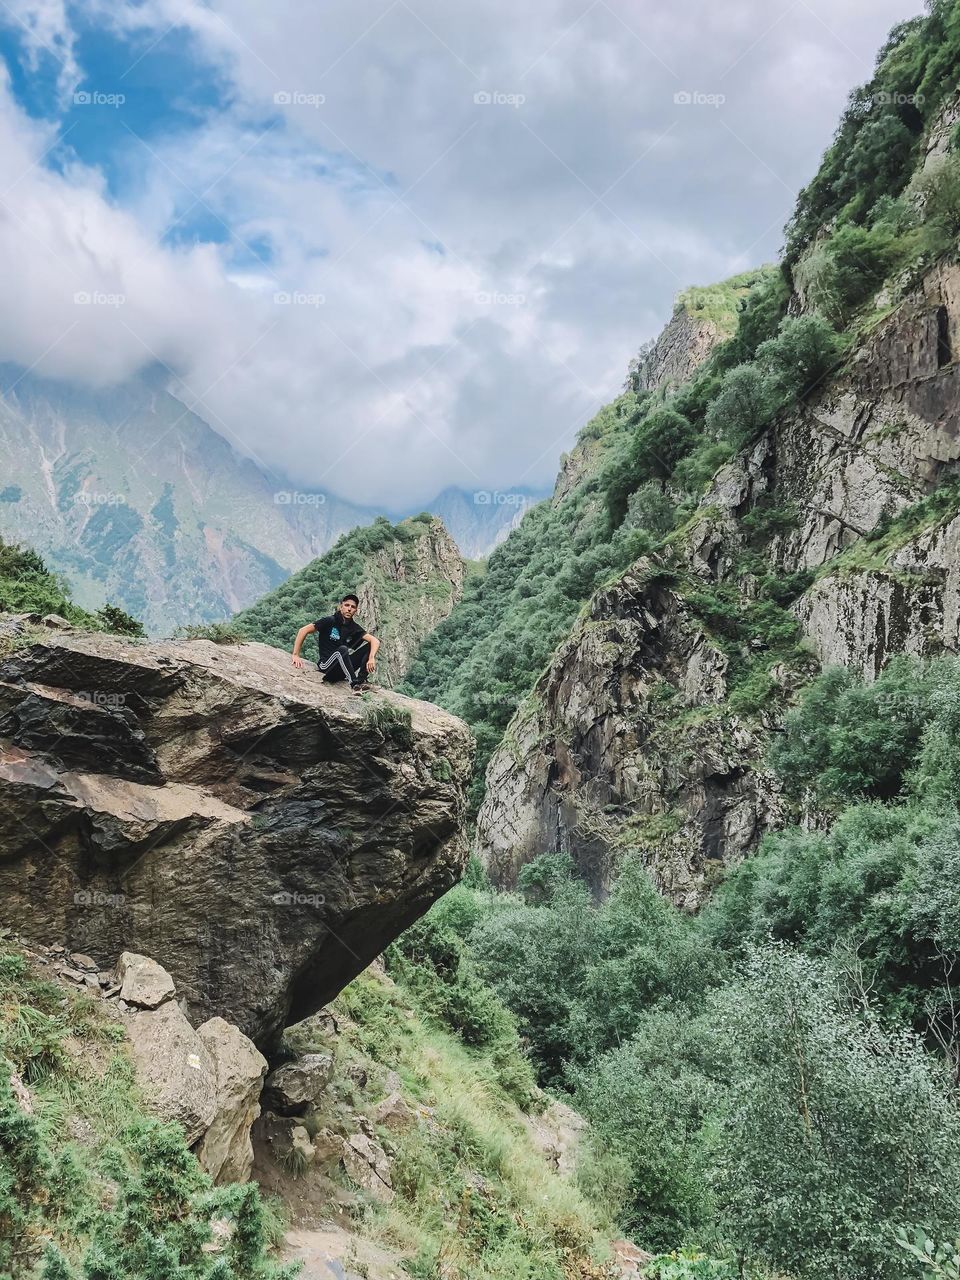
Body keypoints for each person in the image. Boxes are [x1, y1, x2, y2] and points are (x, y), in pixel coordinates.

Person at [291, 593, 380, 694]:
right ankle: (354, 685)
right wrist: (296, 655)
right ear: (341, 606)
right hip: (326, 666)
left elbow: (375, 641)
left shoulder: (353, 627)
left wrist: (371, 657)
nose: (349, 609)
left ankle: (361, 680)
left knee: (369, 647)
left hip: (341, 670)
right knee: (342, 650)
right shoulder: (330, 621)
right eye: (347, 605)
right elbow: (303, 630)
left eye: (353, 607)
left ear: (356, 610)